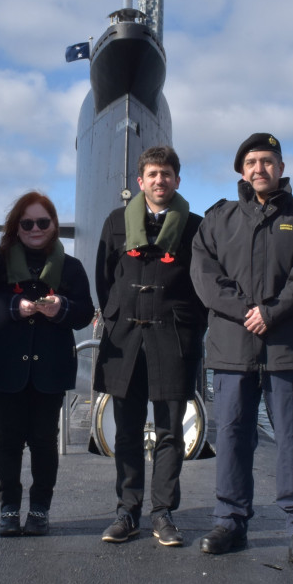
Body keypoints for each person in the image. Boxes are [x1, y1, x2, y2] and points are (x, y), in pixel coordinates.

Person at [189, 132, 293, 565]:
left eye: (268, 161)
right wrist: (246, 311)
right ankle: (230, 521)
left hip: (288, 347)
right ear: (241, 170)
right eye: (252, 162)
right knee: (233, 434)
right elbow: (205, 276)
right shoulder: (218, 219)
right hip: (234, 347)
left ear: (282, 167)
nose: (259, 169)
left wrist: (271, 312)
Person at [93, 146, 206, 547]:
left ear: (177, 180)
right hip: (126, 340)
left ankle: (163, 512)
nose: (160, 181)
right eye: (153, 174)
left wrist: (190, 326)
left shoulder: (195, 226)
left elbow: (203, 283)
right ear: (140, 182)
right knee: (126, 431)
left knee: (169, 431)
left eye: (167, 174)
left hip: (173, 339)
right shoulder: (115, 223)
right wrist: (113, 318)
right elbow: (104, 277)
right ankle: (128, 511)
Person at [0, 192, 94, 536]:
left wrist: (61, 309)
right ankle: (9, 509)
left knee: (44, 440)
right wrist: (15, 307)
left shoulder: (70, 268)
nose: (35, 228)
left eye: (43, 222)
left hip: (50, 368)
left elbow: (84, 311)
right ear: (17, 226)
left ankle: (40, 509)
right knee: (7, 440)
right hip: (5, 364)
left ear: (54, 225)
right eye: (27, 223)